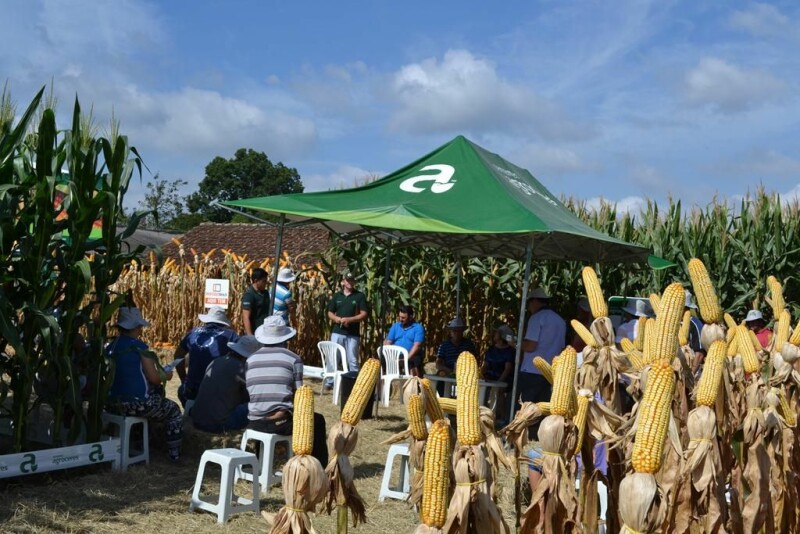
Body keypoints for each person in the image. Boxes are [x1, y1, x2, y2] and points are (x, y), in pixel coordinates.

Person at [247, 315, 328, 466]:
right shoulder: (293, 359)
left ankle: (260, 461)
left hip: (254, 421)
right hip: (280, 423)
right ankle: (319, 468)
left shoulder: (250, 359)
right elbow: (300, 395)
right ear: (284, 337)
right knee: (318, 420)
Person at [106, 307, 183, 462]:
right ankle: (174, 455)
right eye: (140, 326)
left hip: (112, 403)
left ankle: (137, 443)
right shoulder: (139, 348)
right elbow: (154, 378)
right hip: (137, 403)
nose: (141, 329)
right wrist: (166, 375)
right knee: (173, 410)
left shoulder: (110, 347)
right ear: (134, 327)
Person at [190, 335, 261, 434]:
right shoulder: (241, 368)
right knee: (259, 405)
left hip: (197, 420)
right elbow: (251, 396)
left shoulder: (216, 361)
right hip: (219, 424)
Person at [174, 306, 239, 408]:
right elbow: (241, 358)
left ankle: (190, 412)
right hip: (216, 391)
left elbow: (178, 355)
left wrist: (184, 379)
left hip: (191, 390)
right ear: (223, 323)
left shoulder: (193, 332)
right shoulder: (230, 335)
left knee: (181, 390)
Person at [518, 288, 566, 404]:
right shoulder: (560, 320)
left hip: (531, 370)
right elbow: (561, 348)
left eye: (529, 303)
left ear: (534, 301)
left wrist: (516, 344)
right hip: (549, 372)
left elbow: (530, 346)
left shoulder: (537, 318)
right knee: (541, 409)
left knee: (526, 408)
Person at [327, 271, 370, 384]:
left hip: (352, 333)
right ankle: (330, 381)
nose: (350, 282)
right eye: (347, 280)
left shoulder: (359, 296)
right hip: (337, 331)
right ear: (343, 282)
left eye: (352, 280)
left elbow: (364, 313)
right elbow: (330, 312)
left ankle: (354, 382)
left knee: (352, 359)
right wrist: (336, 319)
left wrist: (350, 320)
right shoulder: (337, 296)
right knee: (333, 357)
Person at [481, 324, 516, 424]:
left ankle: (500, 417)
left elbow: (507, 369)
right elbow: (486, 365)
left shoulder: (509, 351)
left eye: (496, 333)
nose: (494, 335)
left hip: (504, 379)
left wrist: (499, 382)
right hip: (490, 377)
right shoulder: (491, 349)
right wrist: (481, 373)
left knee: (499, 391)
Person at [384, 304, 426, 377]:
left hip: (411, 355)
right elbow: (388, 342)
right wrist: (390, 355)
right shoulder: (395, 326)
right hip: (395, 355)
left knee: (415, 360)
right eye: (399, 317)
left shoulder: (418, 328)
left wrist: (406, 358)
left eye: (403, 318)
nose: (400, 319)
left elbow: (417, 346)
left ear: (410, 317)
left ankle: (414, 383)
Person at [242, 268, 270, 336]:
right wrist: (250, 335)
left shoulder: (265, 293)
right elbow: (246, 317)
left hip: (265, 332)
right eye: (264, 281)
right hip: (255, 332)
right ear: (256, 280)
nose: (266, 283)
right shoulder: (249, 295)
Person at [684, 290, 706, 373]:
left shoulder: (696, 324)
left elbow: (699, 353)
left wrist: (691, 375)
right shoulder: (674, 323)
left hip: (693, 372)